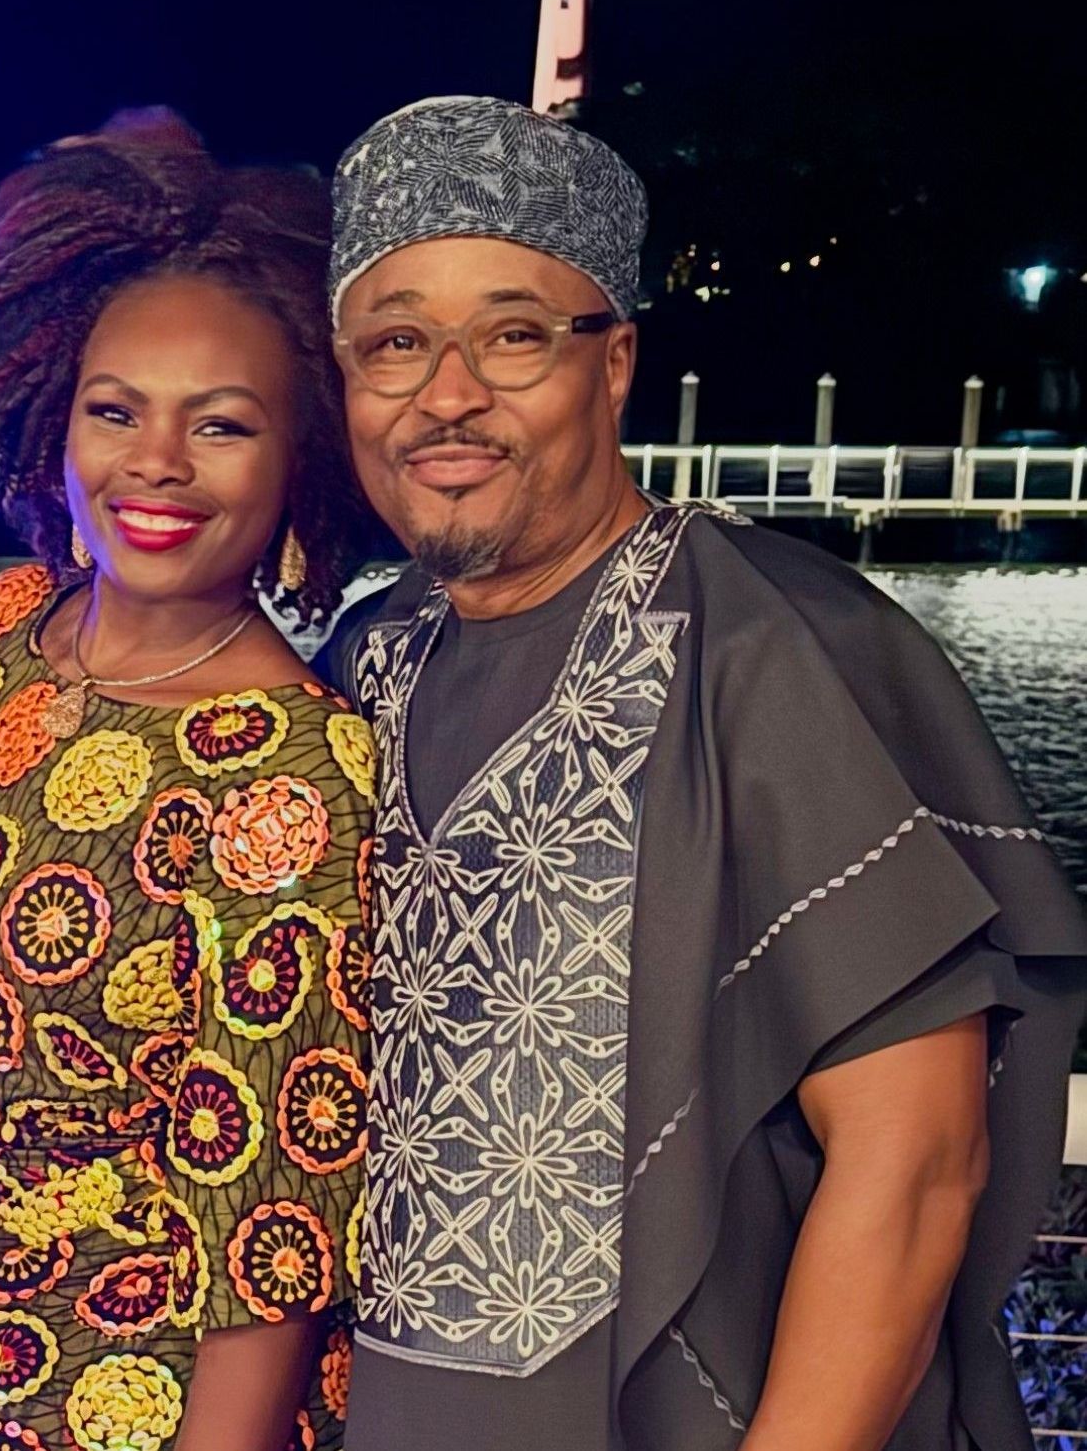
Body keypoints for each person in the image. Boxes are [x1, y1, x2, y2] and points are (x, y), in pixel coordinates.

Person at [318, 95, 1087, 1451]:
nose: (446, 393)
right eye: (395, 342)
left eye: (511, 334)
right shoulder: (360, 658)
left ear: (611, 365)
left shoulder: (776, 643)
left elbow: (911, 1161)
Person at [0, 111, 375, 1451]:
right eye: (114, 409)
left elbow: (276, 1214)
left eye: (221, 424)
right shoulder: (6, 625)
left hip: (120, 1382)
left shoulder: (288, 767)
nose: (156, 462)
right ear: (49, 411)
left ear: (300, 456)